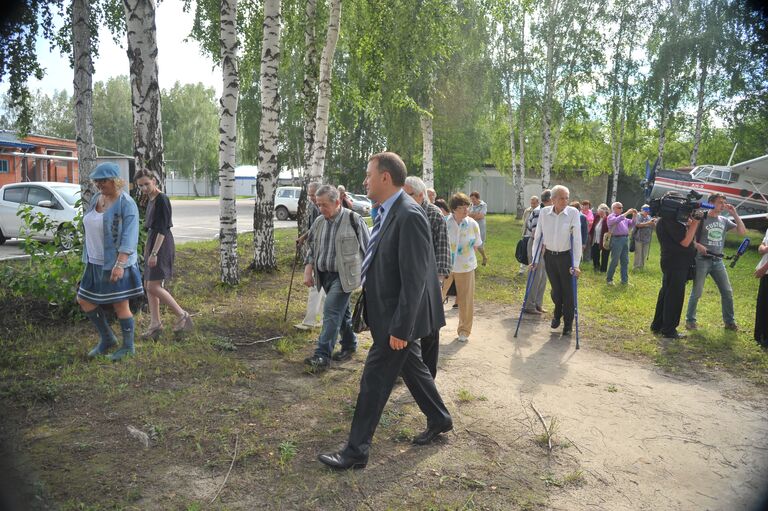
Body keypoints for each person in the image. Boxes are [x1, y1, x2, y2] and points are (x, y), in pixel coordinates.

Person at [317, 152, 452, 470]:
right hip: (390, 315)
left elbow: (416, 278)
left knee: (374, 381)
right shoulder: (388, 211)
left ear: (385, 178)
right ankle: (440, 417)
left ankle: (355, 452)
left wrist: (401, 329)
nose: (364, 181)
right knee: (414, 369)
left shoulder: (409, 215)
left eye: (368, 174)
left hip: (397, 320)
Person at [77, 162, 144, 361]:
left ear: (115, 181)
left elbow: (130, 237)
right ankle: (107, 339)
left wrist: (120, 264)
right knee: (84, 299)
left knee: (120, 305)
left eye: (103, 180)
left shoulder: (126, 203)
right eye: (96, 181)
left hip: (116, 263)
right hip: (94, 261)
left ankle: (128, 347)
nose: (99, 185)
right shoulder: (97, 198)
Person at [302, 185, 370, 371]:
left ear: (337, 202)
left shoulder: (354, 220)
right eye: (318, 205)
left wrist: (369, 278)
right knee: (342, 314)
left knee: (331, 311)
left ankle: (322, 356)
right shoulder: (318, 222)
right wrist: (308, 270)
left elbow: (369, 249)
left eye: (324, 205)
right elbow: (312, 249)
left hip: (345, 277)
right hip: (324, 276)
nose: (320, 209)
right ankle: (349, 344)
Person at [134, 170, 193, 340]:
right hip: (153, 242)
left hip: (162, 244)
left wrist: (154, 253)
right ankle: (155, 324)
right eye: (140, 185)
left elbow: (162, 229)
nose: (144, 188)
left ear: (154, 181)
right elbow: (152, 229)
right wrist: (148, 248)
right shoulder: (151, 199)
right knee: (148, 284)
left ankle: (182, 316)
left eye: (147, 184)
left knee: (154, 285)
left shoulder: (162, 199)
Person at [404, 176, 451, 377]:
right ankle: (407, 369)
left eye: (409, 195)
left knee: (430, 328)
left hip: (429, 280)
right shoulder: (402, 211)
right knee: (408, 324)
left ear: (421, 196)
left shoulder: (433, 214)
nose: (404, 199)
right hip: (408, 278)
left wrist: (439, 280)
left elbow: (442, 247)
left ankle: (429, 373)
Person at [685, 193, 746, 331]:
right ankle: (690, 320)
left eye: (724, 202)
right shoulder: (702, 217)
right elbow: (688, 235)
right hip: (702, 260)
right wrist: (697, 245)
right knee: (697, 291)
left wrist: (735, 214)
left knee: (727, 291)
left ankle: (729, 322)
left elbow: (742, 232)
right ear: (711, 202)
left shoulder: (724, 220)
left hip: (718, 261)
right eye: (720, 202)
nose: (723, 205)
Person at [531, 185, 582, 336]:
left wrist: (577, 264)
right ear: (553, 199)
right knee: (556, 291)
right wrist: (534, 258)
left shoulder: (573, 213)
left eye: (567, 198)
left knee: (569, 292)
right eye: (561, 198)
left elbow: (577, 239)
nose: (565, 201)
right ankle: (557, 312)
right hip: (550, 257)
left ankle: (568, 323)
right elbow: (538, 236)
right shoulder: (544, 213)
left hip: (567, 257)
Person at [651, 206, 700, 339]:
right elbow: (685, 242)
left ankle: (658, 325)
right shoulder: (671, 222)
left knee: (666, 293)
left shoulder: (665, 221)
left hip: (672, 262)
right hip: (676, 263)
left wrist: (689, 225)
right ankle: (669, 330)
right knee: (674, 296)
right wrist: (695, 223)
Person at [442, 193, 483, 342]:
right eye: (461, 207)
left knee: (466, 300)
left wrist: (484, 257)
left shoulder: (472, 223)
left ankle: (464, 330)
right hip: (445, 266)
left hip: (466, 266)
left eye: (467, 206)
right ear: (453, 209)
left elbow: (477, 244)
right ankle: (430, 327)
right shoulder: (444, 222)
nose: (465, 210)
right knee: (436, 296)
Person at [295, 182, 326, 330]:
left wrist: (310, 260)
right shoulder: (315, 207)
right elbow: (315, 227)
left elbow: (319, 232)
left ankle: (309, 322)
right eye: (309, 195)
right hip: (316, 250)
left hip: (321, 253)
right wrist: (304, 237)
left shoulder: (324, 207)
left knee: (315, 287)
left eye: (313, 194)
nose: (311, 198)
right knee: (323, 290)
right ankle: (324, 319)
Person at [523, 190, 552, 314]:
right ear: (551, 200)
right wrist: (543, 246)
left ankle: (538, 304)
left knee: (543, 276)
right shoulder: (538, 212)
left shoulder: (549, 212)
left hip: (546, 246)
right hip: (537, 245)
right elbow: (535, 233)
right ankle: (529, 305)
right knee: (535, 275)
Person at [606, 202, 638, 285]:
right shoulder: (611, 217)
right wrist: (627, 212)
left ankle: (624, 281)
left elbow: (632, 223)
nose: (621, 209)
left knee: (625, 261)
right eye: (619, 207)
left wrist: (634, 215)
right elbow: (617, 220)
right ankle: (609, 279)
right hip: (616, 240)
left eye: (622, 207)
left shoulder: (623, 218)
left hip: (625, 239)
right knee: (615, 260)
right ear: (614, 209)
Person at [755, 225, 768, 349]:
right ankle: (760, 335)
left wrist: (763, 269)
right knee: (763, 304)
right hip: (765, 273)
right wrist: (764, 248)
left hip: (766, 270)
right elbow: (761, 247)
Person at [519, 196, 540, 274]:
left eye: (534, 203)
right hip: (526, 235)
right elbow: (525, 221)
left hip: (535, 236)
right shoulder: (527, 211)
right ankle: (522, 270)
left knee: (533, 253)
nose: (533, 205)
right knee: (524, 252)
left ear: (538, 202)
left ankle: (532, 270)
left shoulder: (540, 211)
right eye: (531, 203)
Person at [468, 191, 488, 266]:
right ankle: (472, 261)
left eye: (473, 199)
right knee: (471, 243)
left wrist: (471, 215)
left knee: (479, 245)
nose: (472, 201)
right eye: (471, 199)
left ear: (478, 198)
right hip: (471, 227)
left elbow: (481, 216)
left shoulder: (483, 205)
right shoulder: (470, 205)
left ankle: (484, 257)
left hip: (480, 227)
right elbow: (466, 215)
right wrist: (475, 215)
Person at [633, 204, 655, 269]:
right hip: (639, 238)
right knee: (638, 253)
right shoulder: (638, 215)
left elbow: (653, 225)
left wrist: (654, 223)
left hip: (647, 238)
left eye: (648, 210)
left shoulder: (649, 217)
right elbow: (638, 225)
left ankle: (641, 267)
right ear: (641, 210)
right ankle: (636, 267)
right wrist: (648, 223)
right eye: (645, 210)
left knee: (644, 254)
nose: (647, 211)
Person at [590, 203, 610, 272]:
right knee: (595, 253)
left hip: (605, 240)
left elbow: (608, 228)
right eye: (599, 212)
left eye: (601, 212)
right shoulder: (597, 217)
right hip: (595, 239)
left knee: (605, 254)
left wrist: (605, 218)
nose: (600, 213)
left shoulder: (608, 218)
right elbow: (593, 226)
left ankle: (603, 269)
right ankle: (596, 266)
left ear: (605, 212)